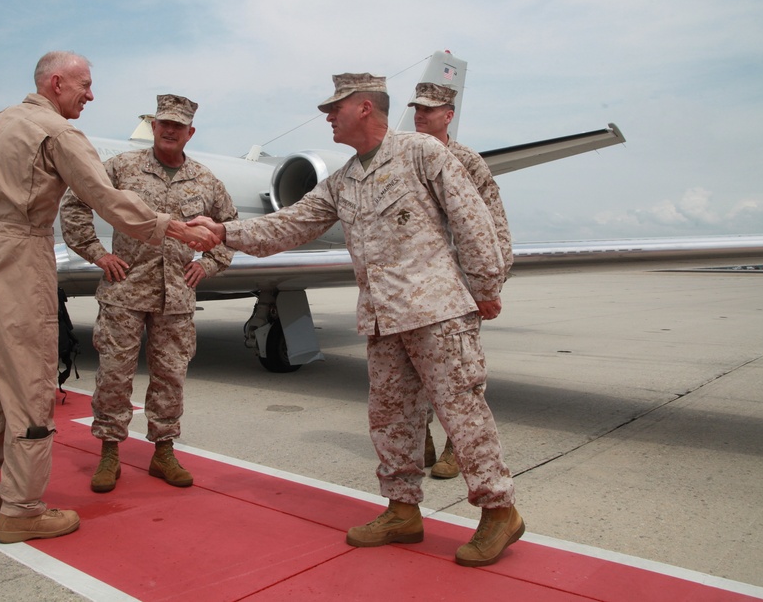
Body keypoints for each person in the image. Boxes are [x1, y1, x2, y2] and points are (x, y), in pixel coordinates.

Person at [189, 73, 523, 567]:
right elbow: (291, 224)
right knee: (390, 418)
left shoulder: (422, 153)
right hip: (383, 318)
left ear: (365, 108)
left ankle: (499, 512)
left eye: (334, 108)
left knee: (462, 413)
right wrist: (222, 232)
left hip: (438, 314)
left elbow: (474, 220)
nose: (327, 116)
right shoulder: (345, 178)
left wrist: (485, 289)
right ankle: (403, 511)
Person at [0, 52, 218, 545]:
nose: (91, 96)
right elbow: (104, 198)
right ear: (57, 83)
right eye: (85, 85)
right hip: (21, 257)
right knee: (30, 385)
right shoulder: (57, 132)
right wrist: (171, 228)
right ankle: (22, 509)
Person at [59, 94, 237, 494]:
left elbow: (230, 229)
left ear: (190, 132)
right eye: (163, 123)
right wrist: (97, 253)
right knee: (114, 376)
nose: (170, 130)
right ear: (153, 126)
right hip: (125, 289)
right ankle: (108, 452)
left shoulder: (207, 181)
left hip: (176, 297)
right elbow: (75, 201)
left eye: (178, 125)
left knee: (171, 376)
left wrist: (207, 264)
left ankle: (163, 450)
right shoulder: (122, 168)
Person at [410, 82, 514, 481]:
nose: (421, 114)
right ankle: (423, 439)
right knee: (415, 367)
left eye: (430, 109)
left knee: (460, 372)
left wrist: (491, 284)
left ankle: (459, 447)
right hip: (416, 285)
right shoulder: (403, 155)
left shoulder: (465, 160)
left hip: (459, 285)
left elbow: (494, 221)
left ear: (448, 115)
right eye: (417, 108)